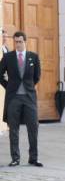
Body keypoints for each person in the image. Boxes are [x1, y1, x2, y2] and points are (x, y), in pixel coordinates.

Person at [0, 31, 42, 167]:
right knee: (13, 128)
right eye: (16, 42)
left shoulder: (33, 57)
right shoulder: (7, 57)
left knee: (33, 127)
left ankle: (33, 158)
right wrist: (9, 87)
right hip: (13, 98)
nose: (18, 44)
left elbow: (37, 76)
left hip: (29, 97)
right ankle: (15, 158)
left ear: (25, 42)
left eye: (20, 42)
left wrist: (28, 87)